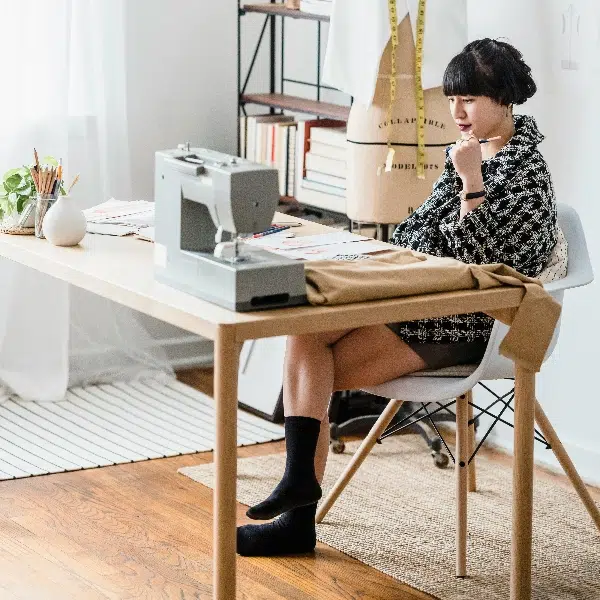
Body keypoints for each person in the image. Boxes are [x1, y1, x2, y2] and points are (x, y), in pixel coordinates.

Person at [236, 38, 558, 557]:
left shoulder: (526, 172)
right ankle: (299, 488)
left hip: (467, 323)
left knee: (317, 366)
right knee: (305, 327)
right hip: (414, 297)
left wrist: (471, 181)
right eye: (452, 100)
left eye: (469, 100)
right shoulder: (466, 154)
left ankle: (299, 512)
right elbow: (415, 232)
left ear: (505, 98)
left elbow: (488, 270)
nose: (456, 113)